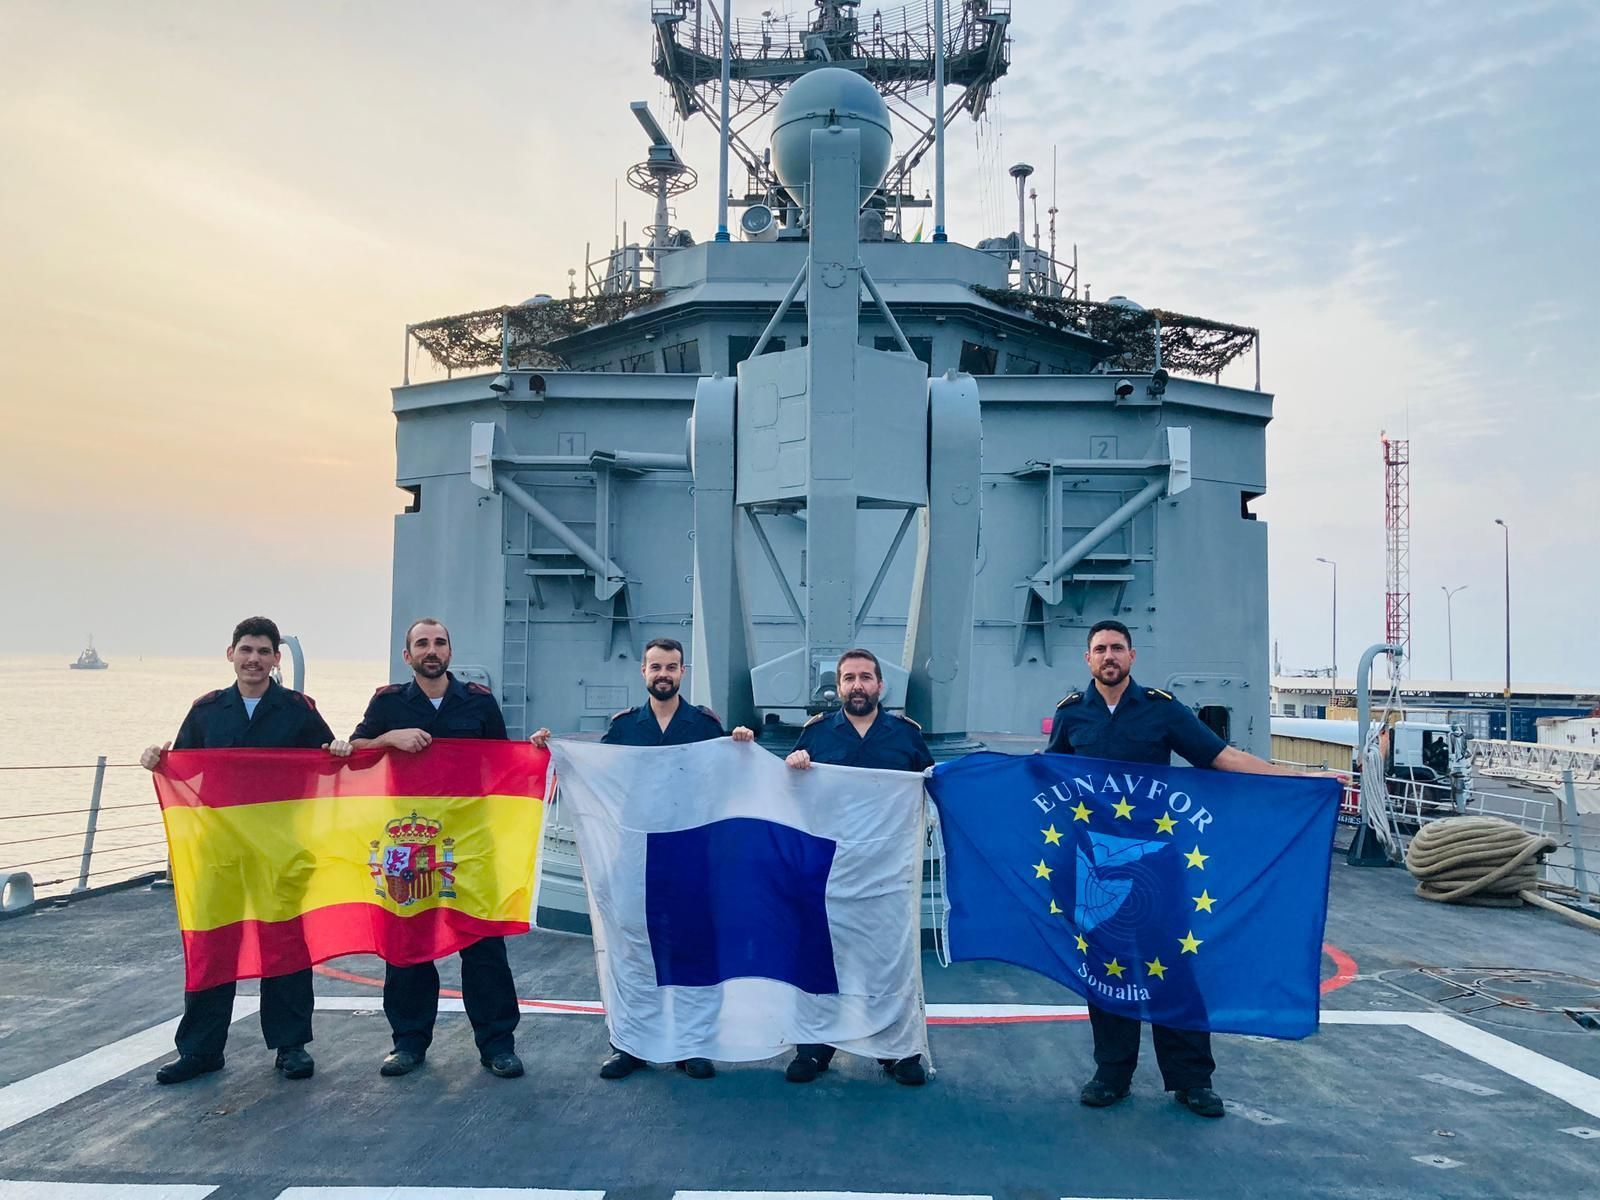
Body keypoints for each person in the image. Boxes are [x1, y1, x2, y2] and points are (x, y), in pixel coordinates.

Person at [1046, 619, 1314, 1120]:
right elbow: (1048, 778)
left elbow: (1220, 757)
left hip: (1155, 865)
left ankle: (1192, 1080)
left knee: (1171, 967)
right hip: (1095, 867)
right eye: (1100, 649)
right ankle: (1111, 1074)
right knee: (1107, 973)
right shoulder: (1071, 716)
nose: (1109, 656)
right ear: (1088, 659)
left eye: (1117, 648)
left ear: (1132, 656)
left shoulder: (1161, 710)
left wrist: (1294, 780)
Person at [530, 636, 754, 1082]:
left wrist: (742, 745)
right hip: (634, 851)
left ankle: (693, 1044)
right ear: (644, 673)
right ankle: (631, 1043)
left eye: (671, 667)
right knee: (631, 949)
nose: (663, 675)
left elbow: (732, 779)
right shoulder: (625, 727)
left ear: (682, 673)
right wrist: (552, 749)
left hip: (690, 851)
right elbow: (596, 770)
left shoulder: (706, 727)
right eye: (655, 667)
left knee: (692, 949)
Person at [140, 616, 334, 1085]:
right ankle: (201, 1050)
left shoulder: (298, 710)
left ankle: (290, 1046)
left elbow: (328, 762)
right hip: (219, 851)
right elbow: (184, 769)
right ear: (231, 655)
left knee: (284, 946)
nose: (254, 659)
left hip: (278, 850)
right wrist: (156, 759)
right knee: (213, 946)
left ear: (276, 659)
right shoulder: (207, 711)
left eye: (263, 651)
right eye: (246, 650)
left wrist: (341, 748)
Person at [342, 618, 524, 1081]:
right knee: (408, 943)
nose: (431, 649)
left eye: (439, 642)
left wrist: (535, 751)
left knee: (483, 944)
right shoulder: (388, 703)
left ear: (450, 652)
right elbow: (357, 748)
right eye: (422, 643)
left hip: (470, 841)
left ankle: (497, 1044)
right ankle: (407, 1043)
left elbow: (503, 763)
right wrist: (389, 738)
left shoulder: (478, 703)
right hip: (407, 841)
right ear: (408, 656)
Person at [783, 647, 933, 1087]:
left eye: (866, 677)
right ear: (839, 686)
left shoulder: (905, 736)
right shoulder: (817, 735)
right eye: (849, 678)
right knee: (822, 959)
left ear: (880, 685)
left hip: (888, 873)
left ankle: (896, 1051)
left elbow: (931, 785)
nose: (858, 686)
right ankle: (813, 1047)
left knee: (888, 960)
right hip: (829, 872)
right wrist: (794, 767)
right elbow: (787, 796)